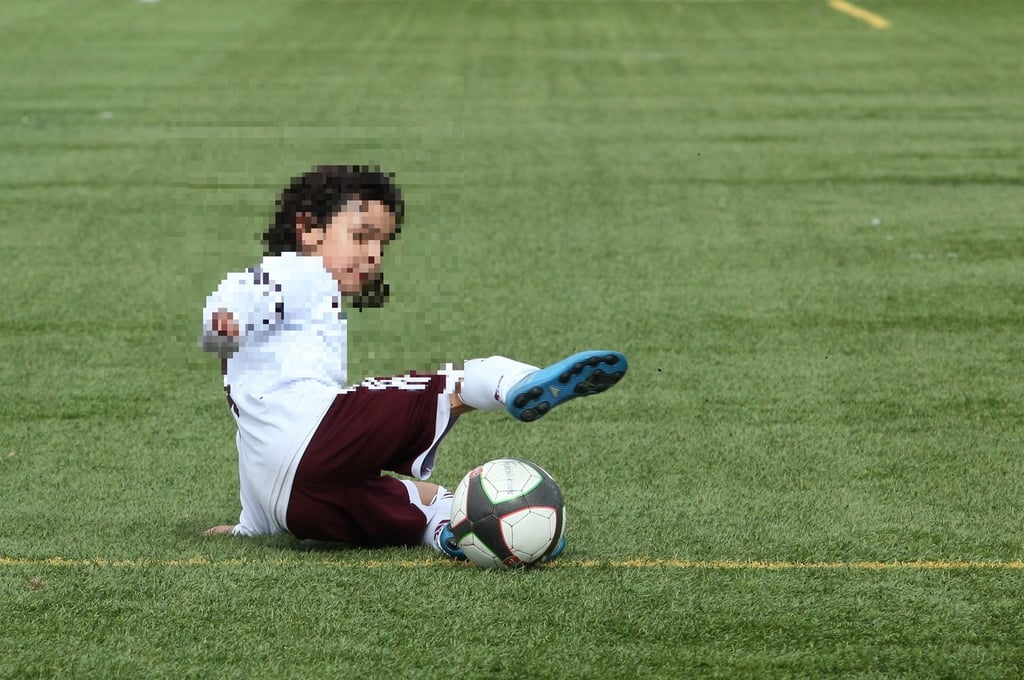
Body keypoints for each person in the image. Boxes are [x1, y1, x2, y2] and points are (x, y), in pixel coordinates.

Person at [200, 164, 627, 560]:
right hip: (320, 433)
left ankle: (449, 532)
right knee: (451, 382)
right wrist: (225, 319)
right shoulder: (297, 272)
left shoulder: (287, 334)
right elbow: (246, 291)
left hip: (297, 505)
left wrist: (251, 523)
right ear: (309, 229)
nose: (374, 256)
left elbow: (253, 436)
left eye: (381, 244)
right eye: (362, 236)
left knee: (424, 499)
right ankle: (515, 383)